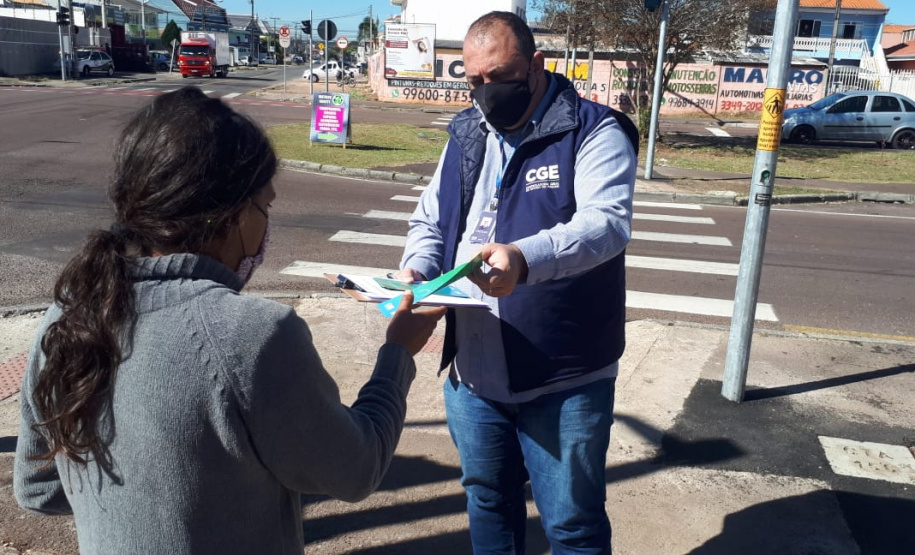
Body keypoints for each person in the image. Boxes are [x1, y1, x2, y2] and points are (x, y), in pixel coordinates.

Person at [14, 86, 445, 554]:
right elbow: (356, 469)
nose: (267, 225)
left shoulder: (70, 314)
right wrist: (398, 353)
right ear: (238, 214)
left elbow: (38, 489)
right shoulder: (251, 334)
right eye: (268, 205)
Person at [395, 11, 639, 554]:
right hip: (475, 376)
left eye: (500, 77)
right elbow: (429, 221)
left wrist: (523, 259)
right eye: (475, 81)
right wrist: (416, 268)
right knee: (488, 503)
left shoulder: (593, 129)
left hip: (563, 378)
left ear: (534, 65)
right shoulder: (465, 135)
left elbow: (606, 225)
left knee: (572, 527)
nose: (486, 93)